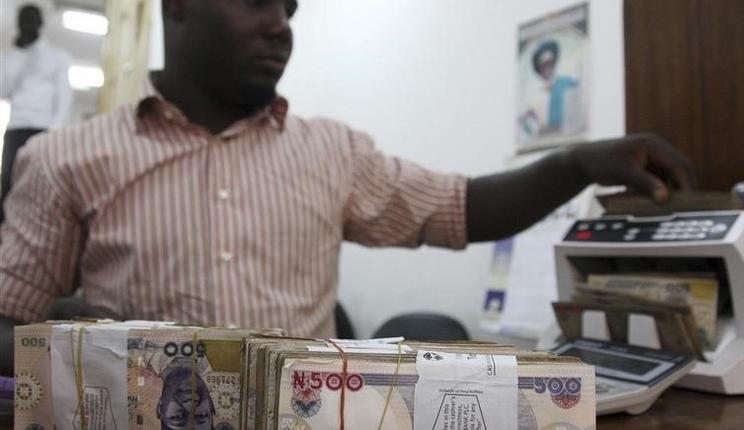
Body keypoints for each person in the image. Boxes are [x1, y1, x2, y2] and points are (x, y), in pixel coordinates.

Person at [0, 0, 695, 376]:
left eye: (291, 7)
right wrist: (87, 348)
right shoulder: (67, 158)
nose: (281, 24)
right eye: (255, 1)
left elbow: (460, 206)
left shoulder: (331, 151)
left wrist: (573, 166)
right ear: (177, 6)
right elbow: (10, 320)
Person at [0, 4, 73, 224]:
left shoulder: (57, 57)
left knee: (38, 184)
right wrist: (19, 56)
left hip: (43, 129)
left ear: (40, 24)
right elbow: (3, 90)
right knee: (9, 183)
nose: (26, 25)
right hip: (16, 127)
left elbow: (64, 97)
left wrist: (54, 132)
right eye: (23, 21)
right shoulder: (10, 58)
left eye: (31, 20)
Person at [532, 40, 579, 132]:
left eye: (550, 63)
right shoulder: (537, 97)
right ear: (539, 69)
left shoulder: (568, 82)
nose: (548, 68)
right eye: (544, 65)